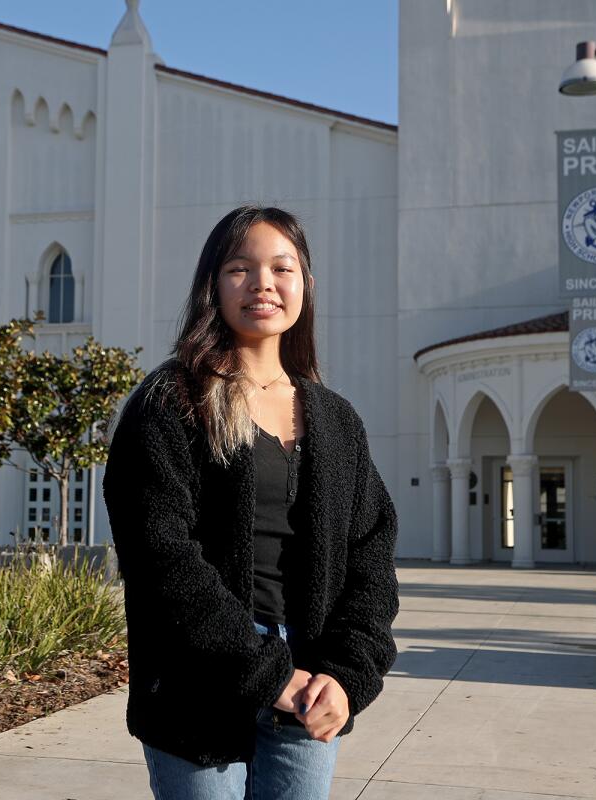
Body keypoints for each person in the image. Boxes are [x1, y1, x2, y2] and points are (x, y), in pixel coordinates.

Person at [102, 205, 399, 799]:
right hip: (198, 683)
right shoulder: (172, 401)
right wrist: (268, 672)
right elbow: (161, 557)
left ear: (303, 285)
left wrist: (345, 677)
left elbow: (371, 562)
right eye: (240, 268)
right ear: (212, 285)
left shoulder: (336, 421)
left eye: (281, 268)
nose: (263, 283)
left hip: (310, 687)